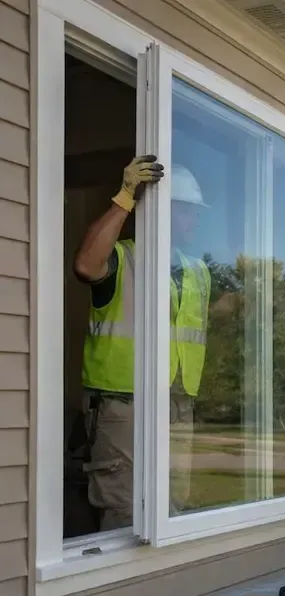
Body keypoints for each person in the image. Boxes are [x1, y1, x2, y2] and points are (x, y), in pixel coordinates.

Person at [73, 155, 211, 528]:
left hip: (177, 403)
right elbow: (86, 265)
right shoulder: (124, 257)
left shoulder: (198, 271)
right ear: (165, 209)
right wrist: (125, 196)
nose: (196, 220)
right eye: (188, 210)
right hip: (122, 404)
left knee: (172, 505)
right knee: (125, 508)